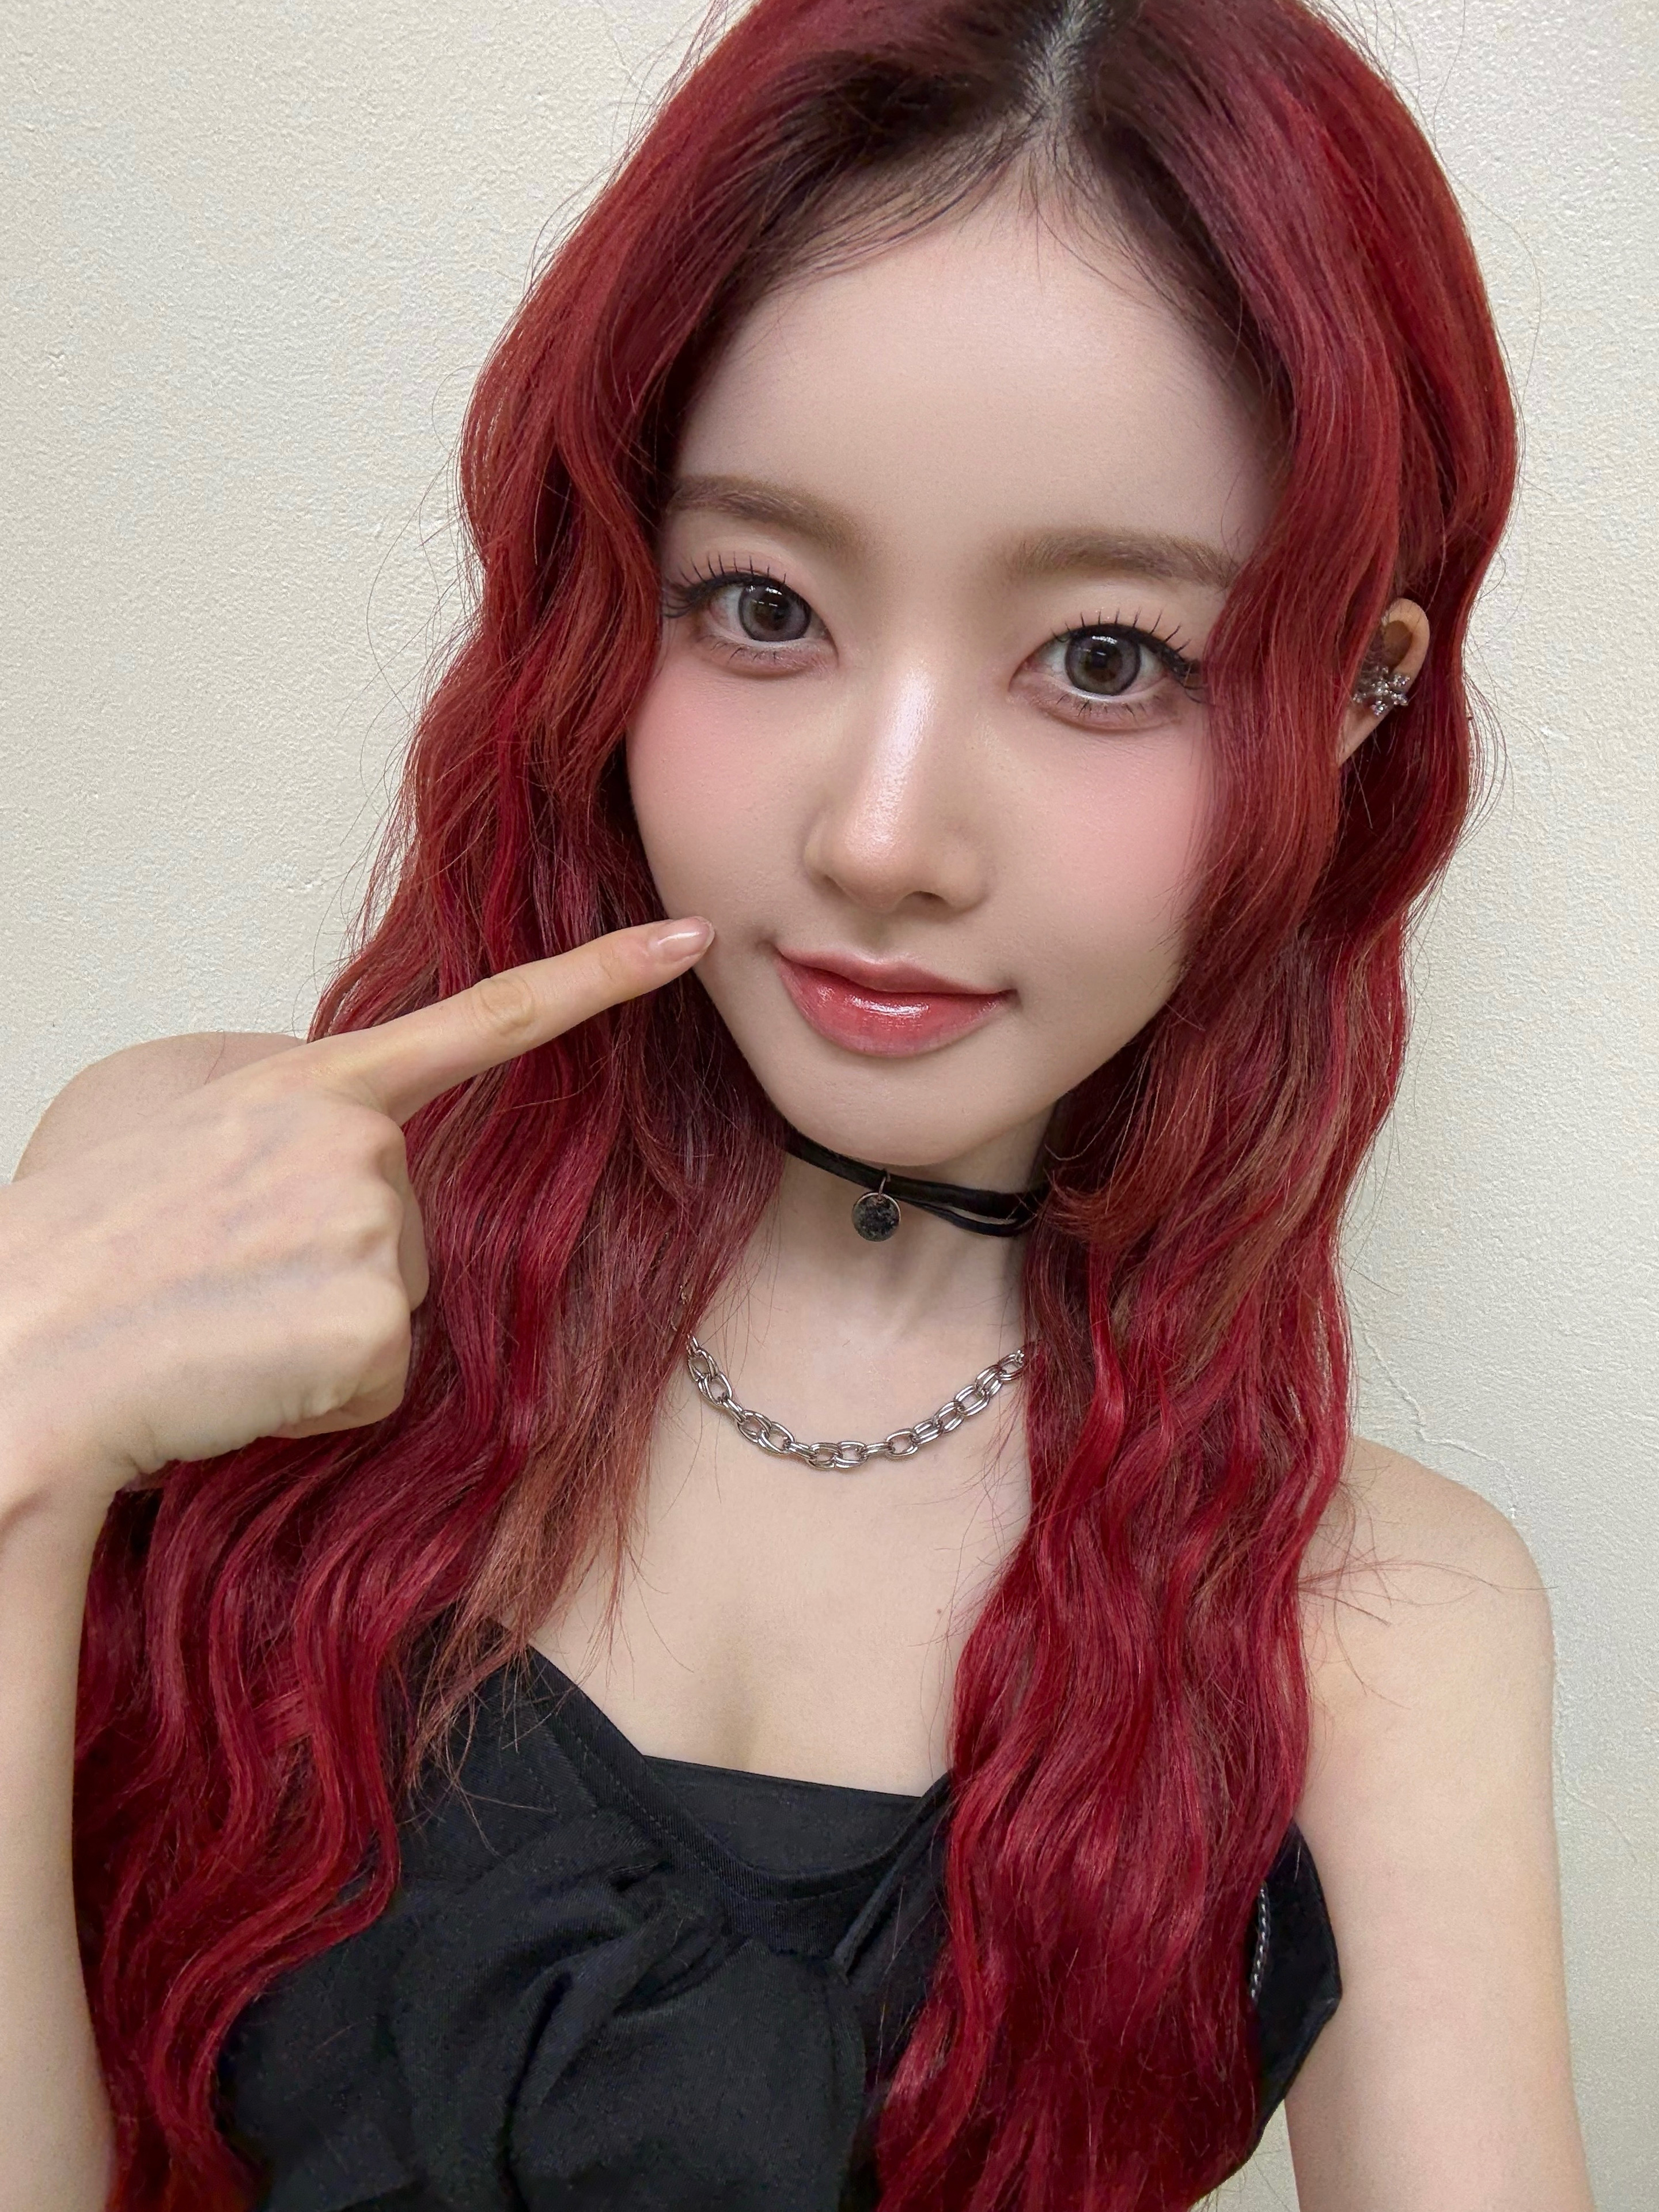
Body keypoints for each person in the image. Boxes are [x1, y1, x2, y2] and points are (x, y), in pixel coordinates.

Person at [0, 0, 1594, 2207]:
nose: (882, 837)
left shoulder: (1372, 1621)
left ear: (1354, 706)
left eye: (1106, 657)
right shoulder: (203, 1224)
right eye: (762, 605)